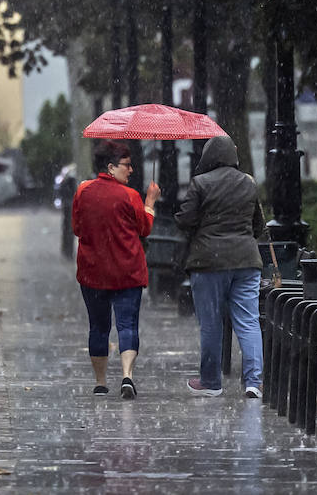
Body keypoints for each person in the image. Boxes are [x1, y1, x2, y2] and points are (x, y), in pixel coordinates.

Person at [175, 134, 267, 398]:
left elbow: (185, 221)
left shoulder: (200, 183)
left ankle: (211, 382)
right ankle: (253, 381)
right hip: (246, 261)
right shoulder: (248, 183)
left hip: (209, 262)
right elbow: (258, 225)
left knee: (211, 322)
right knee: (248, 321)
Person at [71, 139, 160, 398]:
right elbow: (144, 228)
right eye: (126, 166)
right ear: (110, 167)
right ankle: (127, 376)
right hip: (127, 273)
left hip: (93, 272)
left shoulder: (83, 191)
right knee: (127, 325)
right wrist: (150, 201)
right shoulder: (130, 196)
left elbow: (77, 228)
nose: (131, 170)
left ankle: (100, 382)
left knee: (98, 327)